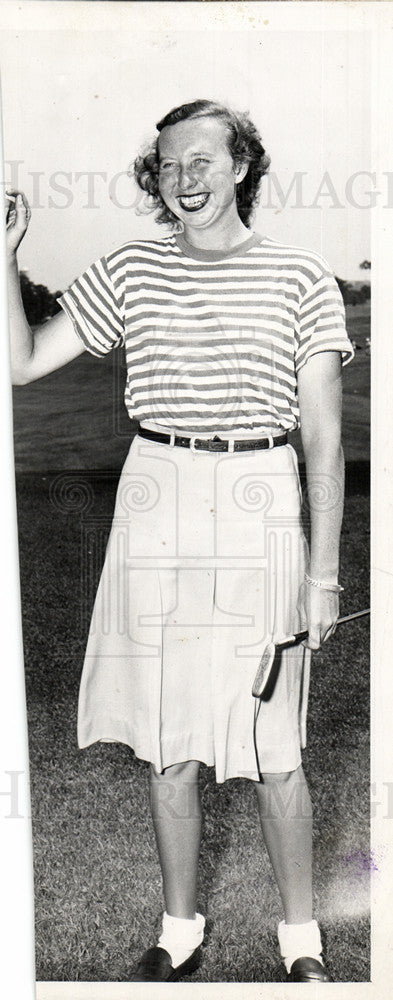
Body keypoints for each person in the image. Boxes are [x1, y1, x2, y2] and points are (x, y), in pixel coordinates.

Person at [7, 99, 354, 983]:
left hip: (261, 501)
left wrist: (319, 575)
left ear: (241, 165)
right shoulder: (131, 268)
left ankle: (300, 941)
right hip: (156, 495)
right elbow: (21, 361)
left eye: (201, 160)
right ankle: (179, 929)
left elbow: (320, 441)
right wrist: (2, 261)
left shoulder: (298, 276)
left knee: (276, 748)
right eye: (168, 165)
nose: (184, 179)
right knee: (170, 744)